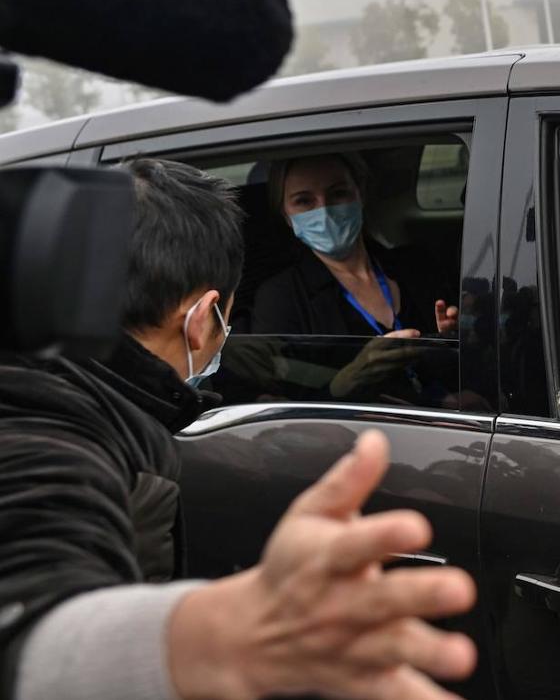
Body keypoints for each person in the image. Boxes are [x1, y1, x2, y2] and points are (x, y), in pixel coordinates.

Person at [0, 159, 476, 700]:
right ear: (205, 319)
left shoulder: (72, 388)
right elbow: (31, 597)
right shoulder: (72, 438)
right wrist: (200, 641)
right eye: (229, 320)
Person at [252, 153, 459, 338]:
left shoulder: (418, 264)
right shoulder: (279, 298)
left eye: (338, 193)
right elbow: (279, 379)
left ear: (361, 195)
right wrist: (355, 374)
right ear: (286, 216)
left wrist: (453, 340)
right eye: (304, 201)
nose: (325, 211)